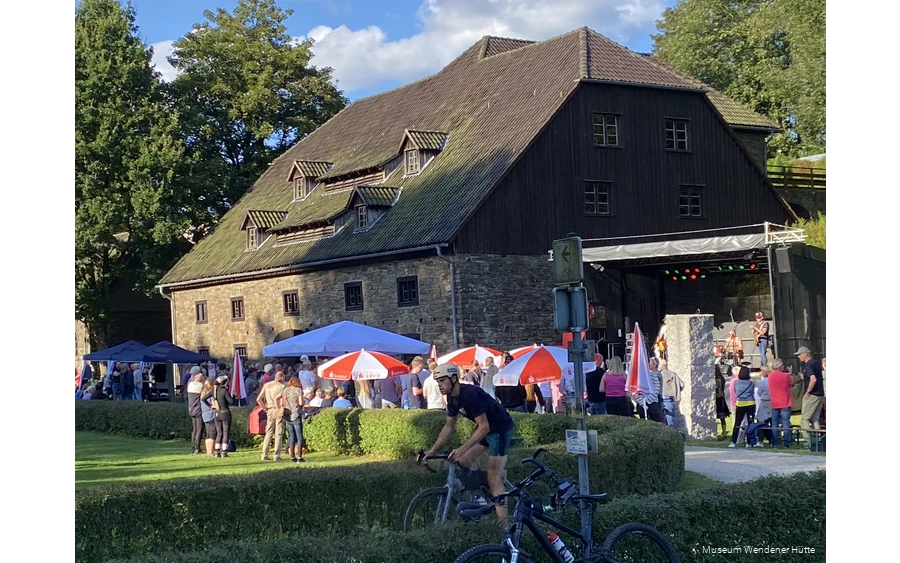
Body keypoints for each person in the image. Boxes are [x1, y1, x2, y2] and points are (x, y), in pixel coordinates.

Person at [424, 363, 516, 520]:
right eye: (437, 382)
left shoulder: (469, 394)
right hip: (486, 428)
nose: (439, 385)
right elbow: (449, 426)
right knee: (462, 460)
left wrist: (461, 448)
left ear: (454, 379)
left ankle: (505, 526)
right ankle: (484, 493)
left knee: (494, 477)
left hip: (500, 428)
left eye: (442, 381)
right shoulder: (452, 399)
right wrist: (433, 450)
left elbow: (484, 427)